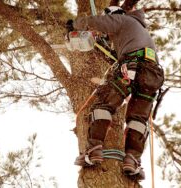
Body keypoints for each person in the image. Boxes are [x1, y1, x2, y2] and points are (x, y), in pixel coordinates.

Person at [68, 6, 164, 180]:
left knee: (104, 104)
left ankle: (94, 151)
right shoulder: (137, 31)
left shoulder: (123, 20)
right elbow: (117, 56)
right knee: (138, 119)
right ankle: (132, 161)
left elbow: (96, 22)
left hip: (132, 67)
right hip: (152, 75)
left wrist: (75, 24)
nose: (108, 35)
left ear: (113, 16)